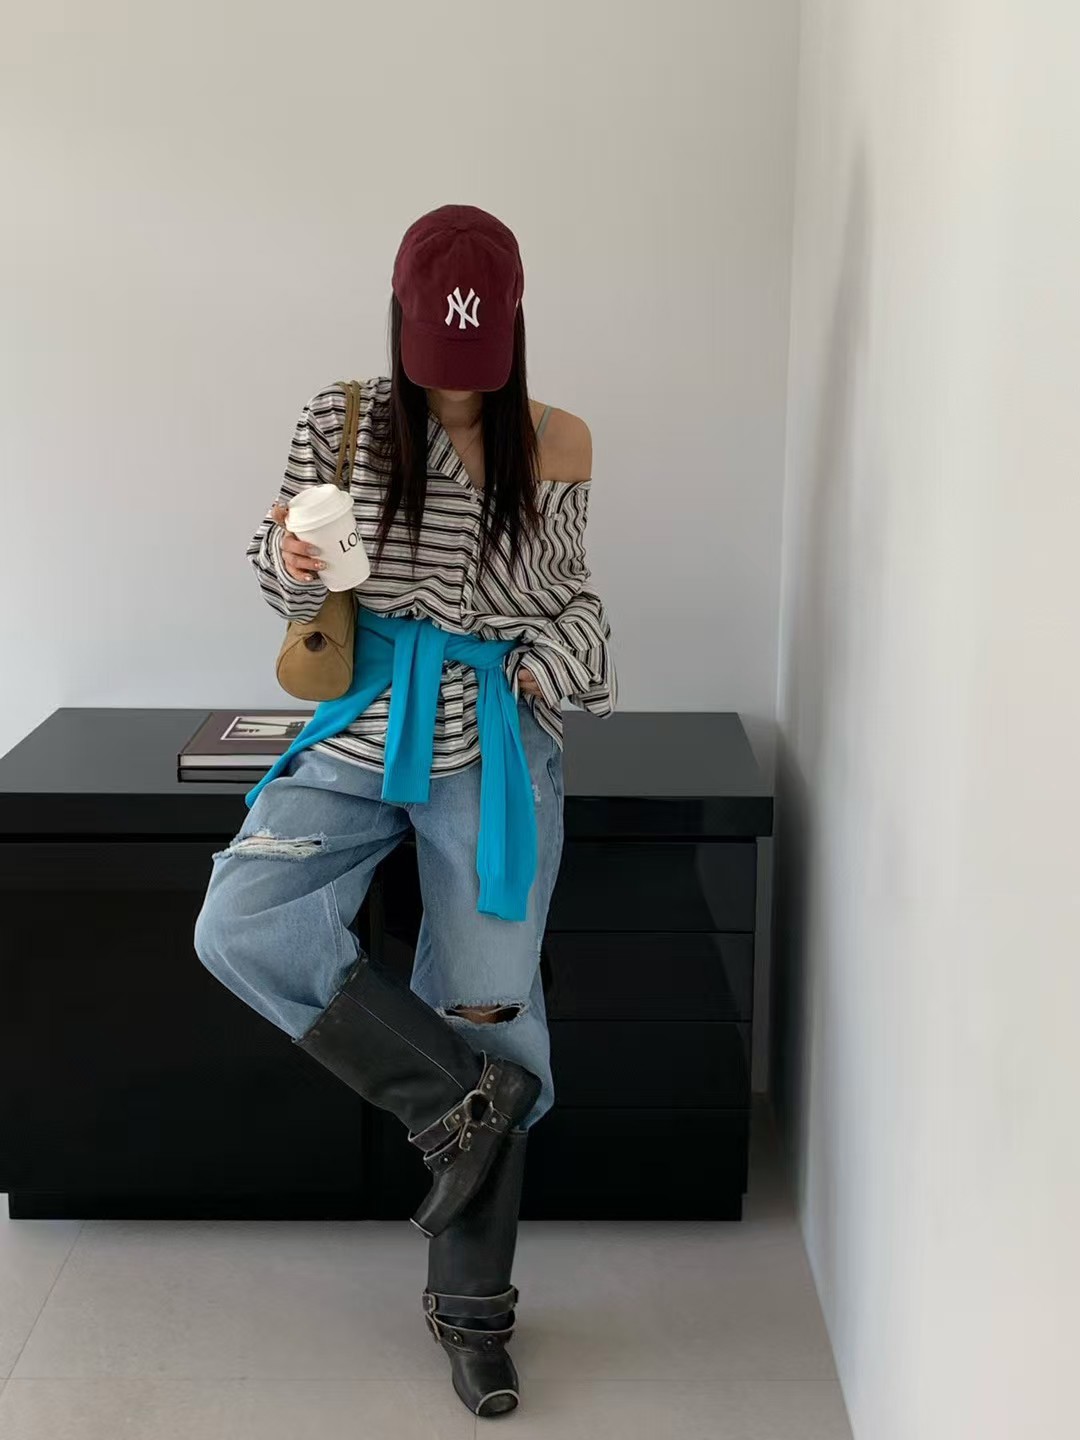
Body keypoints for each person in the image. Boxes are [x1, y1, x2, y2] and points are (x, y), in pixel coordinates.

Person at [193, 202, 618, 1419]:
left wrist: (555, 657)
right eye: (436, 357)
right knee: (239, 923)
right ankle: (458, 1112)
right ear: (399, 322)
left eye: (477, 361)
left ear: (514, 332)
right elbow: (285, 586)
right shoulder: (340, 420)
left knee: (491, 1004)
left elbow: (570, 600)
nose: (455, 386)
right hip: (364, 719)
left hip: (492, 733)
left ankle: (476, 1314)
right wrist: (293, 561)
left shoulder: (560, 439)